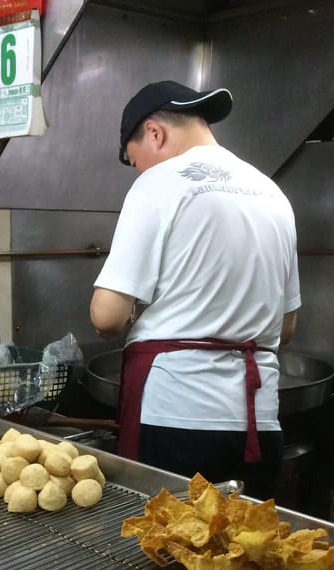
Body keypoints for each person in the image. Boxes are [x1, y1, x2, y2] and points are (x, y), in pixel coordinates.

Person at [89, 80, 301, 499]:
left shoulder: (158, 183)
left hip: (177, 419)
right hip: (259, 425)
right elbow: (286, 328)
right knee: (242, 554)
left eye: (135, 161)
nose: (139, 171)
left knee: (164, 553)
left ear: (154, 133)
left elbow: (106, 316)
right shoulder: (274, 194)